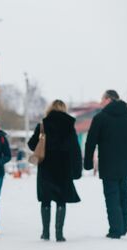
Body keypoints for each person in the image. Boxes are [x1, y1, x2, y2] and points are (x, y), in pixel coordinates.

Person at [84, 90, 127, 238]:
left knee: (111, 196)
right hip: (126, 165)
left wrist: (87, 163)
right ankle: (124, 226)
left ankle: (116, 230)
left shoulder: (100, 118)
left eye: (102, 99)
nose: (101, 102)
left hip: (108, 165)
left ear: (109, 99)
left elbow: (90, 142)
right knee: (124, 195)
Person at [28, 100, 82, 242]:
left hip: (46, 166)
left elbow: (31, 144)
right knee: (61, 200)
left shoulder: (43, 125)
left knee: (46, 200)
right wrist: (77, 170)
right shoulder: (69, 126)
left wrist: (41, 138)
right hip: (63, 167)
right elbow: (75, 149)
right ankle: (59, 234)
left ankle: (45, 233)